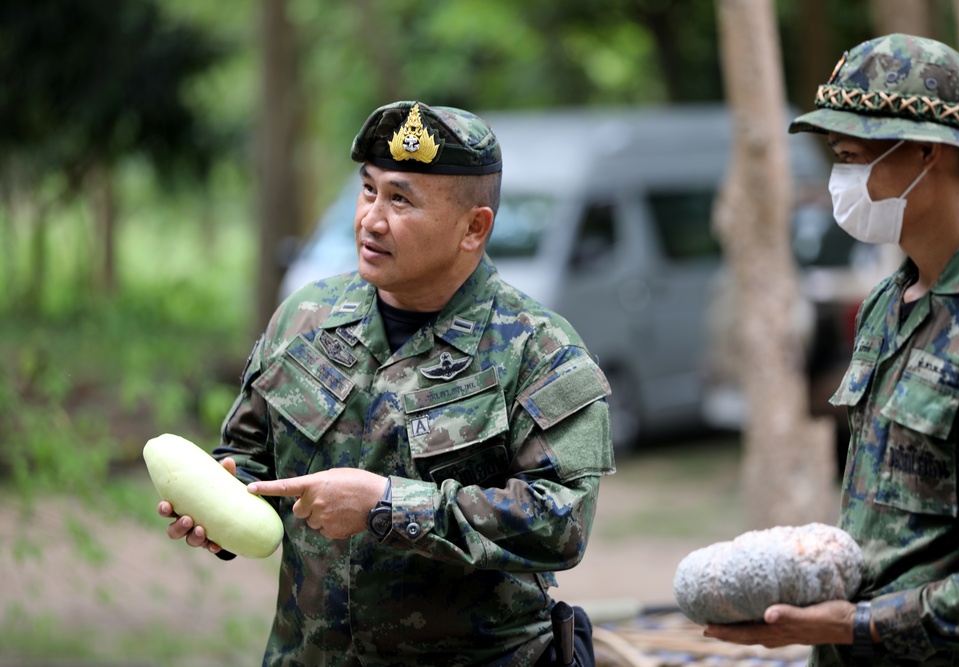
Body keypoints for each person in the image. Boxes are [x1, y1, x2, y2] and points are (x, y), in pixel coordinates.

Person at [157, 100, 615, 666]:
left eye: (401, 200)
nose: (372, 219)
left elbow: (561, 522)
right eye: (369, 190)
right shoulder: (306, 317)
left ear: (474, 228)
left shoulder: (538, 349)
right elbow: (250, 456)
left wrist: (389, 505)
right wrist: (223, 504)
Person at [704, 33, 959, 666]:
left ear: (926, 151)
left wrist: (862, 624)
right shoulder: (885, 303)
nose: (840, 178)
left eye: (851, 155)